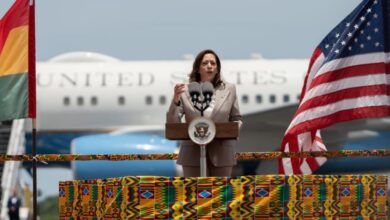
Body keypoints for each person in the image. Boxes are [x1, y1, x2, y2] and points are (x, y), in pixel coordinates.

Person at [167, 49, 242, 177]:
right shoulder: (185, 90)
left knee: (219, 194)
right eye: (205, 63)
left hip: (221, 152)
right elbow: (173, 123)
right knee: (195, 194)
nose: (209, 66)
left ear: (217, 68)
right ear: (197, 68)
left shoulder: (229, 89)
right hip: (192, 153)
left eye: (213, 63)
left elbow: (236, 118)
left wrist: (230, 131)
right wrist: (175, 100)